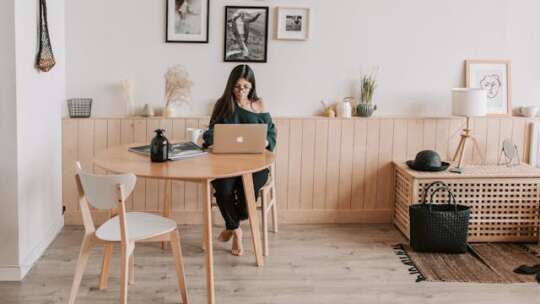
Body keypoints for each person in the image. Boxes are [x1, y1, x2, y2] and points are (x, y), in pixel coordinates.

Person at [203, 64, 276, 256]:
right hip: (225, 163)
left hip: (256, 163)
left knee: (247, 196)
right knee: (223, 190)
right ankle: (236, 230)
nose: (241, 91)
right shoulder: (222, 104)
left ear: (252, 86)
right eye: (237, 87)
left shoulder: (259, 104)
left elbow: (271, 133)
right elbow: (210, 133)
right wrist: (215, 138)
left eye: (246, 86)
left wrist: (266, 140)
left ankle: (231, 224)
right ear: (230, 86)